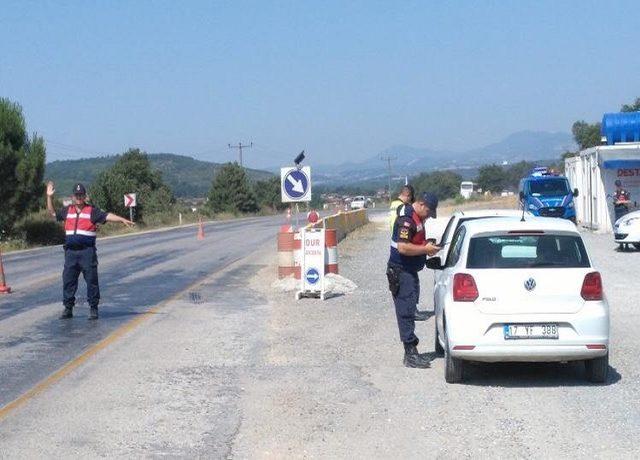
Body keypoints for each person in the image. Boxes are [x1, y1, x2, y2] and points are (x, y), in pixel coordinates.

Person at [46, 181, 134, 320]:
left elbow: (107, 216)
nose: (79, 197)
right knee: (68, 280)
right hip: (71, 253)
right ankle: (68, 308)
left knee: (91, 280)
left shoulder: (92, 211)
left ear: (85, 196)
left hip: (87, 252)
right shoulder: (67, 211)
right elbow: (52, 213)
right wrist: (49, 197)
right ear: (73, 197)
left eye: (81, 195)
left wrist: (122, 220)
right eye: (77, 195)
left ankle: (93, 308)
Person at [387, 192, 441, 368]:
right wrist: (425, 250)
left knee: (409, 309)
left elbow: (413, 242)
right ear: (422, 204)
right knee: (406, 312)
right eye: (429, 212)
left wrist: (426, 246)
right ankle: (410, 353)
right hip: (401, 271)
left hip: (409, 271)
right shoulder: (407, 220)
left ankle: (411, 352)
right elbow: (403, 247)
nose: (429, 217)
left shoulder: (416, 218)